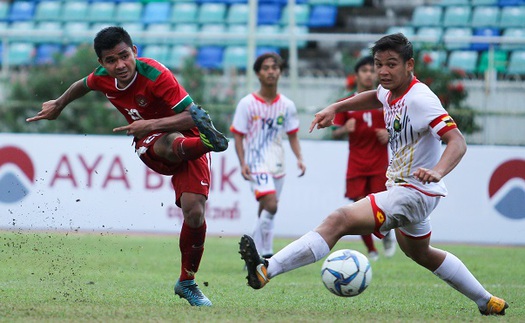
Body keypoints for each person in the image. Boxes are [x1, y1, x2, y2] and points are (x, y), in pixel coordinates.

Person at [239, 33, 508, 316]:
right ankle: (486, 300)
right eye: (379, 64)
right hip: (406, 189)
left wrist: (437, 171)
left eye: (391, 64)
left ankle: (266, 269)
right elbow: (373, 97)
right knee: (421, 253)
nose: (382, 71)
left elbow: (457, 141)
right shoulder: (390, 91)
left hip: (414, 192)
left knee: (338, 220)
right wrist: (336, 107)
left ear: (410, 65)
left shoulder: (421, 99)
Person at [26, 26, 228, 307]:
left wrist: (150, 123)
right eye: (111, 60)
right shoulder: (102, 79)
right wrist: (59, 104)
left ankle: (187, 281)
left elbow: (192, 116)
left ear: (135, 51)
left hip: (187, 135)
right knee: (170, 141)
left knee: (194, 212)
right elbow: (82, 85)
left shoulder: (157, 76)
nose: (120, 65)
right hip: (153, 142)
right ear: (102, 64)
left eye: (124, 56)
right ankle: (210, 143)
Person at [231, 53, 306, 259]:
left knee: (268, 208)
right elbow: (238, 135)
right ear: (258, 73)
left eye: (275, 67)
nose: (271, 71)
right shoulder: (247, 104)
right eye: (266, 68)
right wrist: (242, 162)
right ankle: (257, 250)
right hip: (256, 162)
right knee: (271, 204)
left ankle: (262, 252)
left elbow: (292, 136)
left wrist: (299, 158)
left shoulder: (287, 106)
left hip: (278, 163)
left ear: (280, 72)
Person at [331, 56, 395, 261]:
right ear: (357, 75)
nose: (369, 74)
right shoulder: (347, 103)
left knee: (380, 207)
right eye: (364, 70)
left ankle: (386, 233)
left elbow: (401, 127)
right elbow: (333, 131)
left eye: (371, 70)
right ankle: (372, 250)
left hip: (379, 164)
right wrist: (343, 129)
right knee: (359, 208)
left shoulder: (386, 101)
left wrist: (389, 133)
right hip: (357, 163)